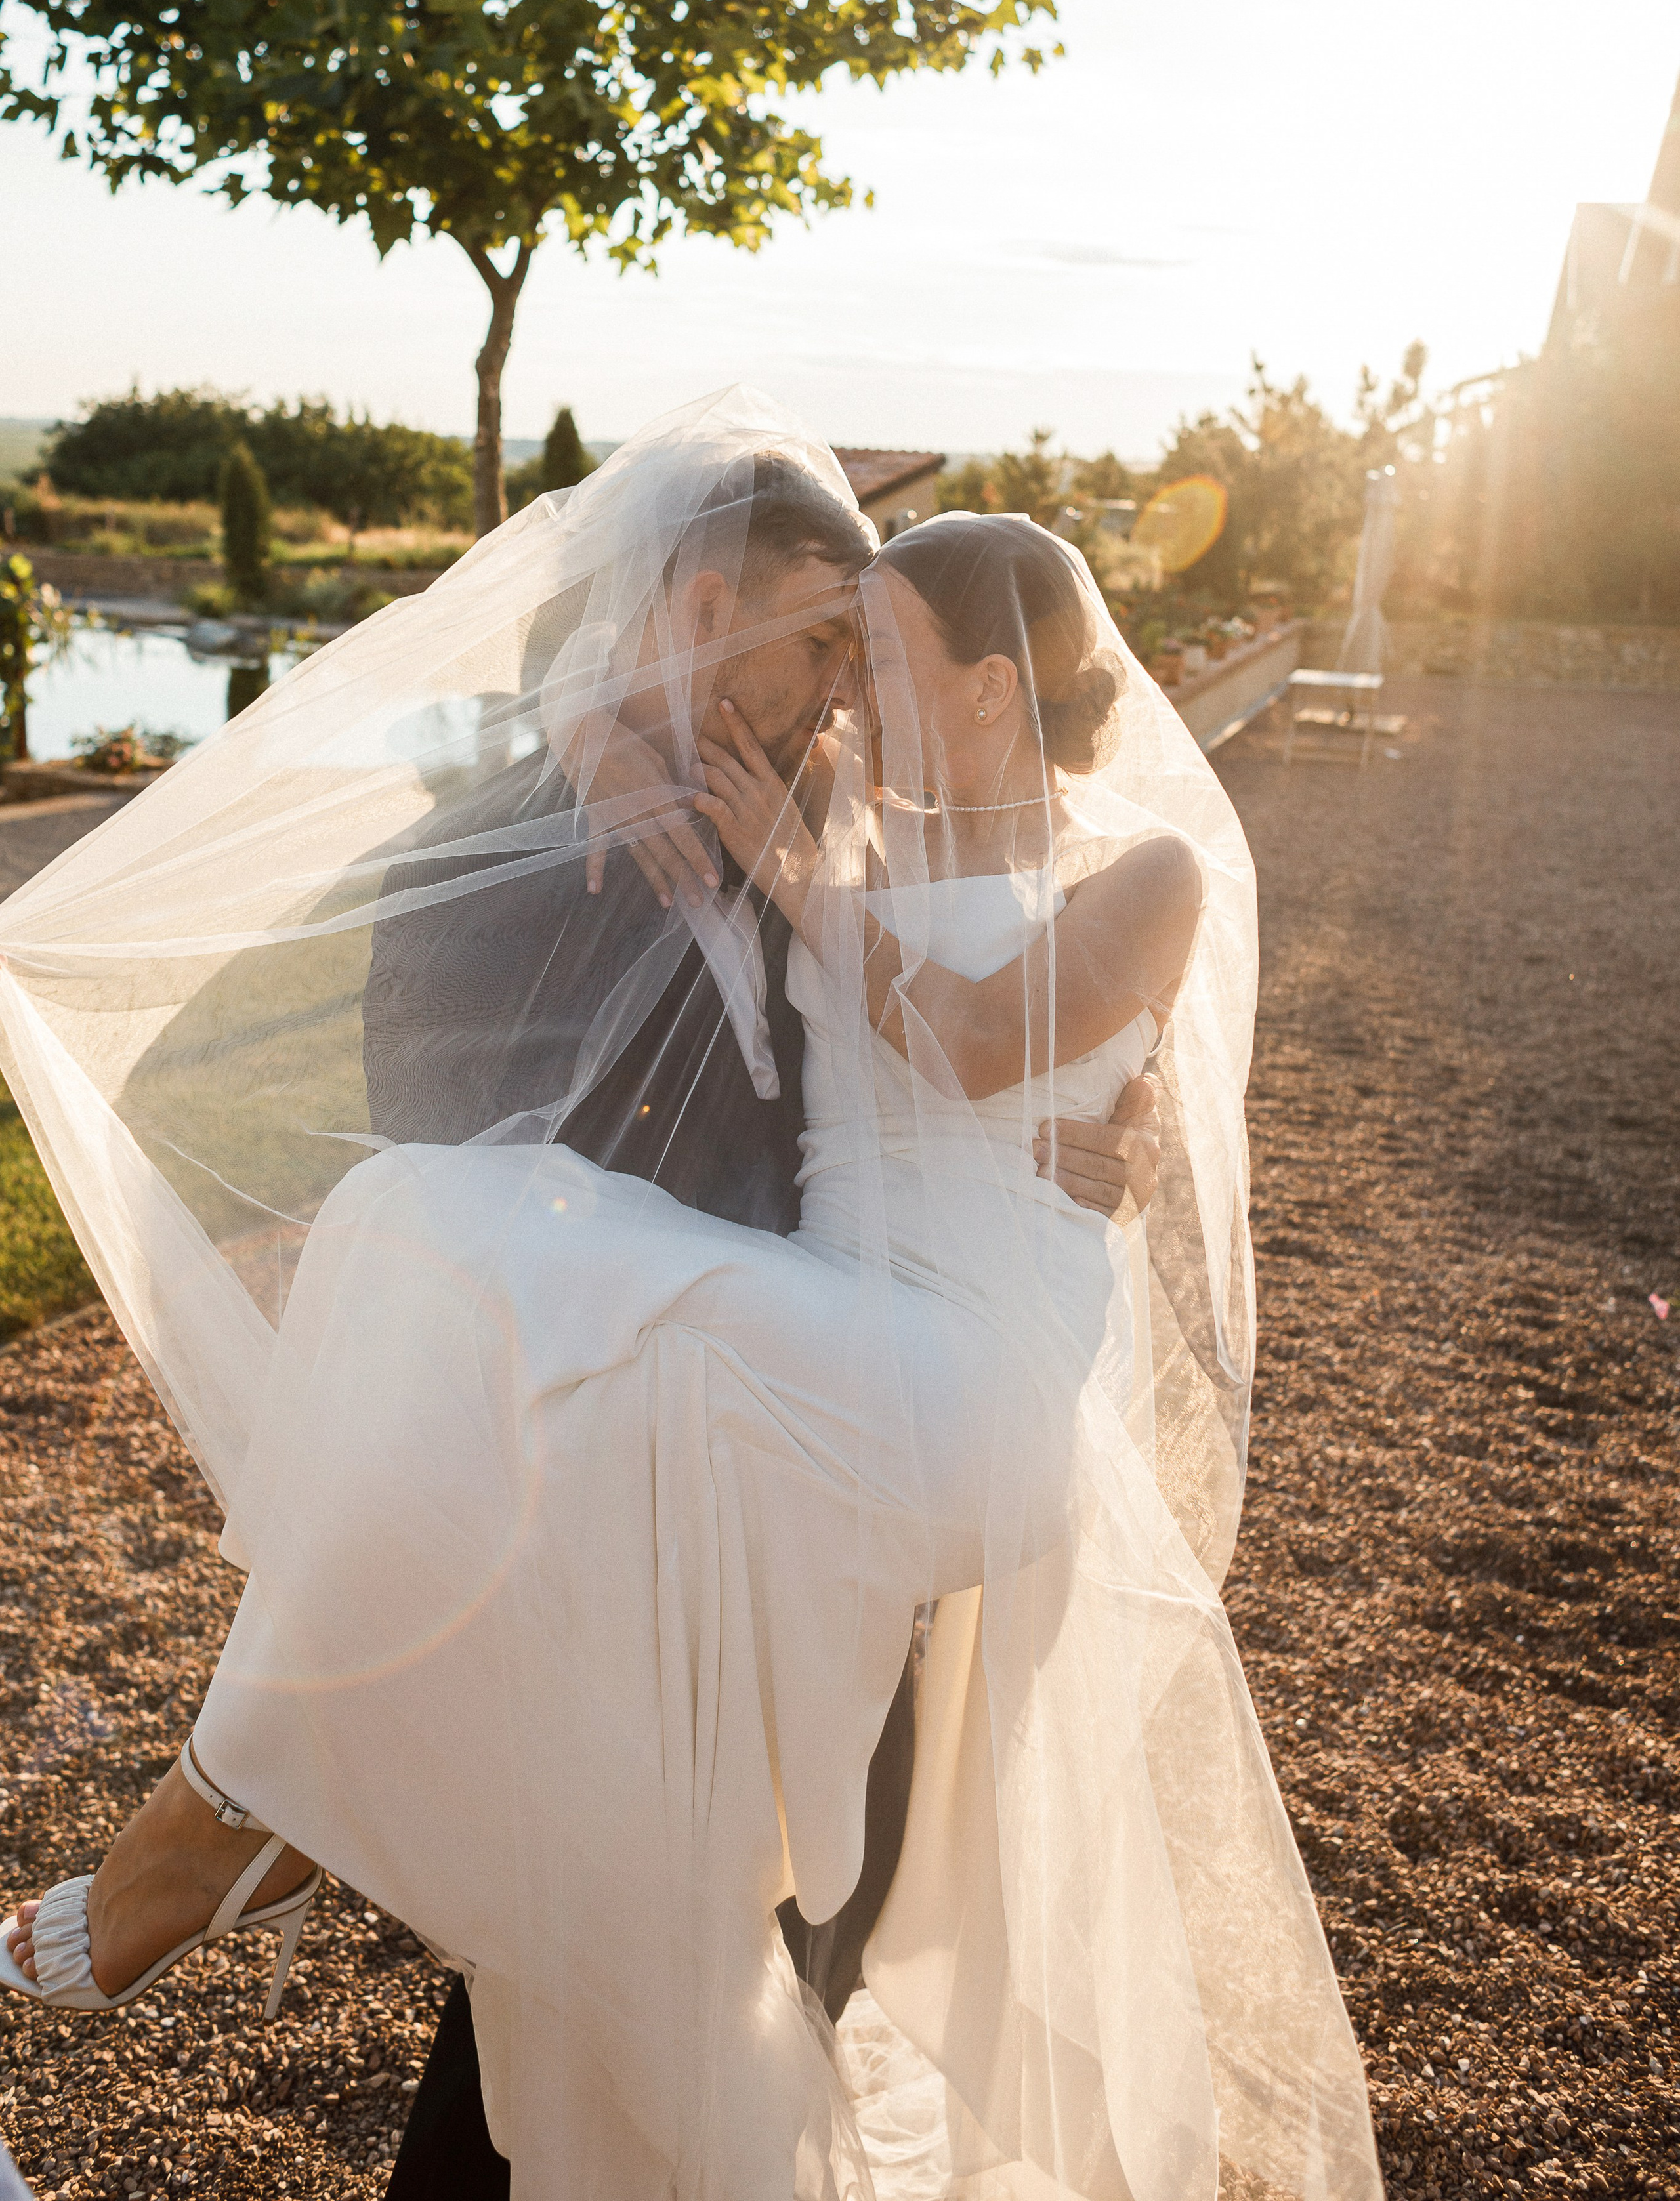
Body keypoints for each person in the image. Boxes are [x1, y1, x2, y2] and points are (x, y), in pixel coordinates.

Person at [0, 406, 1169, 2197]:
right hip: (637, 1510)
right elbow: (455, 1140)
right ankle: (221, 1821)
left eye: (865, 656)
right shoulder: (519, 854)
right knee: (614, 2001)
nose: (841, 694)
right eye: (814, 645)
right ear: (701, 599)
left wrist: (1089, 1140)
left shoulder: (813, 822)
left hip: (832, 1474)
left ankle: (222, 1821)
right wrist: (581, 737)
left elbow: (984, 1024)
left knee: (711, 1981)